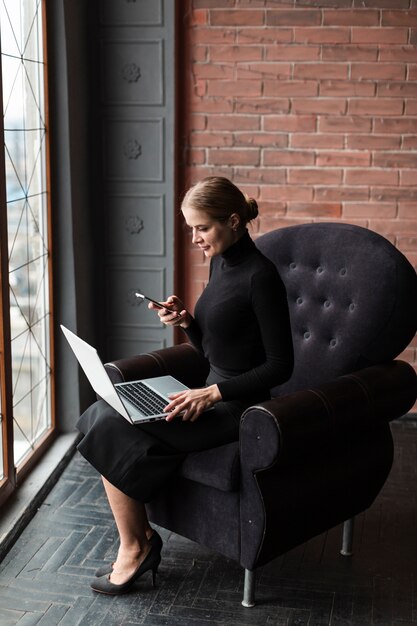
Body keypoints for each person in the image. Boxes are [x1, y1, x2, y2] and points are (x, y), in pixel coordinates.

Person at [76, 176, 294, 595]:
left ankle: (136, 547)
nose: (195, 238)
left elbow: (280, 366)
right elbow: (217, 352)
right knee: (102, 412)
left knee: (107, 422)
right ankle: (138, 542)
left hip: (237, 411)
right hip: (208, 397)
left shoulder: (260, 277)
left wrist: (213, 393)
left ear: (233, 221)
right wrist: (188, 324)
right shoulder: (220, 261)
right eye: (190, 228)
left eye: (202, 228)